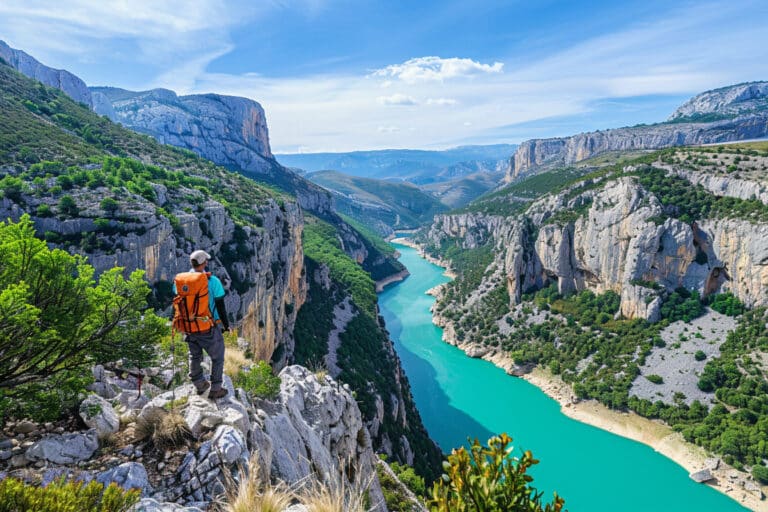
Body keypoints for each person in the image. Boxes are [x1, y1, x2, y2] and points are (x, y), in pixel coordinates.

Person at [182, 249, 230, 399]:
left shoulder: (182, 280)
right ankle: (216, 389)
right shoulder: (212, 281)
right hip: (206, 326)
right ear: (203, 263)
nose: (207, 262)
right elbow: (220, 305)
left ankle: (199, 384)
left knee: (194, 355)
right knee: (218, 356)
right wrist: (225, 325)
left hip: (189, 326)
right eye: (206, 261)